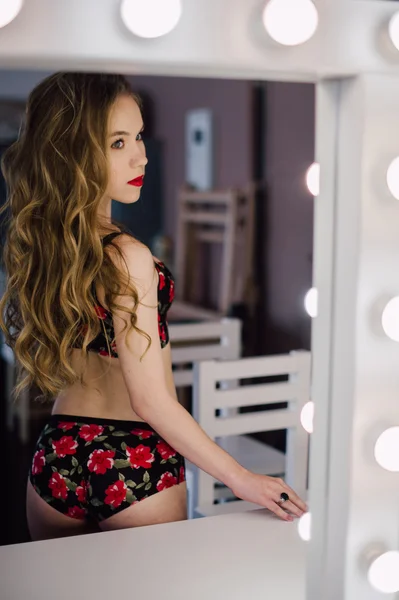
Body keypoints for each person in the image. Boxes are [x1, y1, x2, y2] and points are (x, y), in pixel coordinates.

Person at [0, 72, 307, 541]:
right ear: (74, 153)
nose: (140, 156)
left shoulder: (51, 249)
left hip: (57, 455)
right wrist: (242, 478)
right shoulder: (128, 256)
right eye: (117, 142)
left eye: (138, 136)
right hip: (132, 457)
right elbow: (150, 400)